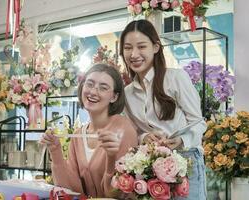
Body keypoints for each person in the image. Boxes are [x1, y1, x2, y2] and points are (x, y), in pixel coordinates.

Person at [119, 19, 207, 200]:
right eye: (128, 48)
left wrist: (181, 140)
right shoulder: (127, 93)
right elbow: (133, 131)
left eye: (141, 46)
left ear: (156, 47)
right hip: (151, 165)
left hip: (186, 160)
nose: (134, 54)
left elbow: (199, 123)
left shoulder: (175, 78)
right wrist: (145, 137)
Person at [40, 63, 138, 198]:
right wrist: (55, 151)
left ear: (114, 97)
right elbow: (71, 190)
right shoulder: (78, 134)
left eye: (103, 88)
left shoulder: (123, 130)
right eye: (89, 84)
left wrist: (111, 158)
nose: (93, 92)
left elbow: (120, 194)